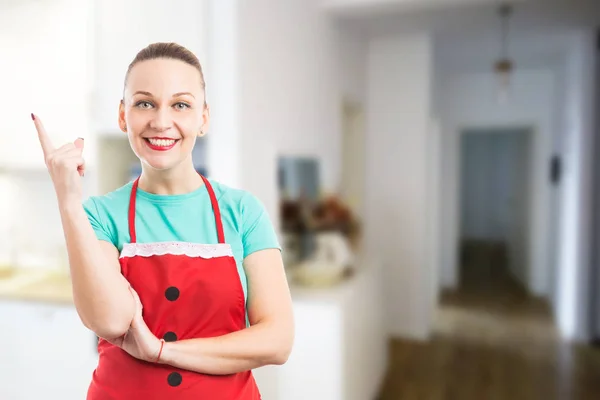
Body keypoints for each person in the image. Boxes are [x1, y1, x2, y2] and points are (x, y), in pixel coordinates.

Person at [32, 42, 294, 399]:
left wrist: (162, 352)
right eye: (144, 103)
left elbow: (277, 341)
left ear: (203, 118)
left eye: (181, 105)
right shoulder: (98, 214)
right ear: (123, 115)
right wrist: (68, 201)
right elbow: (110, 322)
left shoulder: (243, 212)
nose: (161, 121)